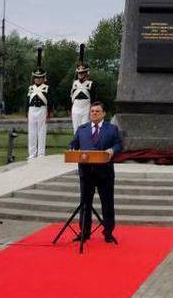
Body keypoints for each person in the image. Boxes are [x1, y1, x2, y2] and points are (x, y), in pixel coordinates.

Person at [68, 101, 122, 243]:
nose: (94, 113)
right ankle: (84, 232)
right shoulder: (82, 129)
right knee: (85, 204)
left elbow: (119, 145)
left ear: (104, 113)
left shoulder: (112, 129)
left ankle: (108, 232)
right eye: (92, 111)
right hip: (86, 173)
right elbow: (73, 144)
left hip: (105, 173)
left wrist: (112, 150)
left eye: (97, 111)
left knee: (107, 204)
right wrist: (72, 149)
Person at [28, 48, 50, 160]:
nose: (37, 79)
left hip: (42, 109)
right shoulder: (31, 87)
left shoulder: (46, 88)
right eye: (36, 78)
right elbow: (27, 100)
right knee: (32, 132)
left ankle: (41, 153)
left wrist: (49, 113)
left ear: (43, 78)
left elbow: (51, 101)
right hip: (32, 110)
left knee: (41, 132)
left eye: (39, 77)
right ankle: (32, 153)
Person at [71, 45, 93, 133]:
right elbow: (71, 96)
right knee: (76, 129)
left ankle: (84, 146)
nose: (80, 74)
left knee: (85, 129)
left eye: (82, 72)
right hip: (76, 106)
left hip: (86, 106)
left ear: (86, 73)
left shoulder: (90, 84)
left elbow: (93, 98)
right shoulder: (74, 83)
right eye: (79, 72)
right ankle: (76, 146)